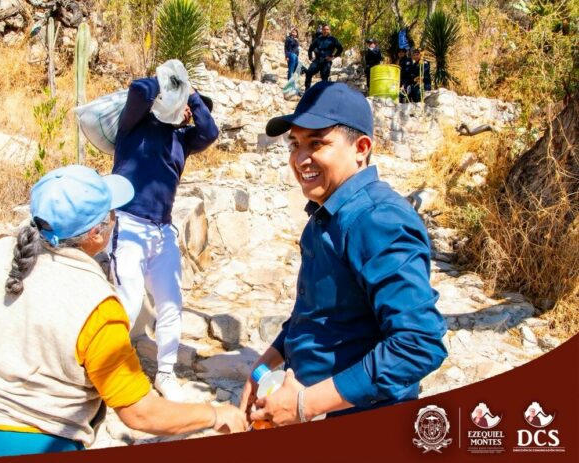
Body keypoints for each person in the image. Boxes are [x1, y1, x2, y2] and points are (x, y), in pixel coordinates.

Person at [0, 165, 246, 459]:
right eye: (112, 214)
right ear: (99, 233)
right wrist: (216, 413)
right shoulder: (96, 304)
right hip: (32, 444)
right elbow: (139, 412)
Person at [239, 82, 448, 426]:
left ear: (361, 148)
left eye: (317, 143)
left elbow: (418, 342)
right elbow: (316, 314)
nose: (300, 158)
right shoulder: (326, 216)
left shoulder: (377, 218)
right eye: (295, 144)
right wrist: (262, 367)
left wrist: (305, 405)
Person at [109, 75, 219, 402]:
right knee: (127, 303)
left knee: (171, 303)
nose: (188, 113)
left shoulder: (183, 140)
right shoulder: (133, 124)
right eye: (184, 105)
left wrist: (193, 95)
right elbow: (138, 91)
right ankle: (105, 370)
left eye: (191, 110)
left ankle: (166, 374)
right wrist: (167, 82)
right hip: (128, 224)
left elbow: (210, 131)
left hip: (162, 231)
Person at [305, 24, 343, 91]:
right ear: (322, 30)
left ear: (329, 30)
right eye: (324, 29)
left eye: (327, 29)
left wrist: (333, 57)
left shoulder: (333, 39)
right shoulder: (318, 39)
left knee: (324, 78)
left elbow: (340, 49)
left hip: (326, 61)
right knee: (308, 72)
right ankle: (307, 90)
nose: (325, 31)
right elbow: (310, 49)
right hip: (317, 60)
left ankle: (323, 94)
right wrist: (310, 58)